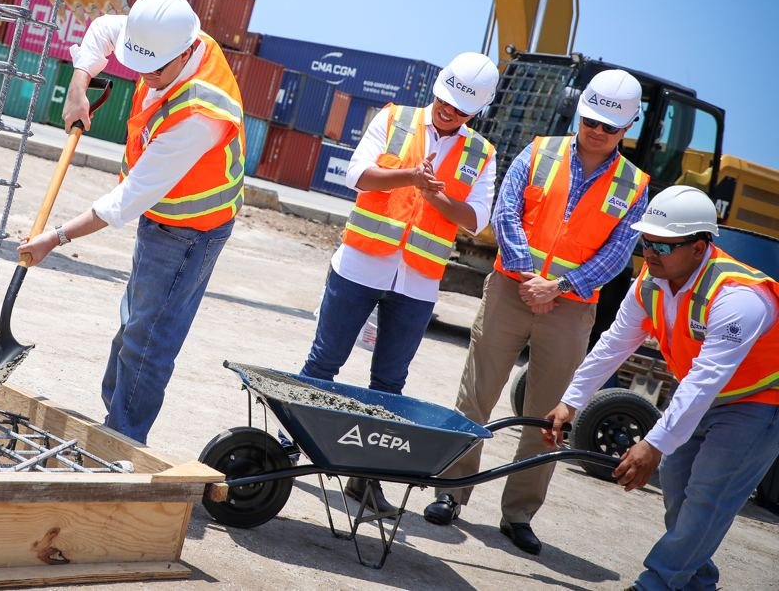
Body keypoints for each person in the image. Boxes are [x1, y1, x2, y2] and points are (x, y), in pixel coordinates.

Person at [424, 68, 652, 555]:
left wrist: (561, 285)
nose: (596, 130)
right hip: (512, 288)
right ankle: (451, 492)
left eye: (608, 127)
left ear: (626, 128)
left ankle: (519, 514)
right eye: (591, 119)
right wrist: (530, 277)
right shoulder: (540, 150)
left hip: (570, 308)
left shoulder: (635, 185)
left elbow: (617, 253)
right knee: (476, 392)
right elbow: (507, 212)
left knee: (549, 418)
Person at [18, 0, 244, 444]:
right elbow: (102, 32)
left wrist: (55, 239)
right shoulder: (158, 38)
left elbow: (125, 201)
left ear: (184, 52)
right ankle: (113, 423)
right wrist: (78, 88)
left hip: (191, 230)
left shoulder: (201, 114)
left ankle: (122, 442)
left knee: (149, 340)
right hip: (162, 211)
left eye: (153, 70)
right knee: (133, 325)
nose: (144, 76)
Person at [543, 186, 779, 591]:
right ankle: (696, 582)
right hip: (703, 396)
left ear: (699, 246)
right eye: (646, 241)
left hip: (759, 402)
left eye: (663, 246)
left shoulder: (739, 297)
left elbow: (707, 377)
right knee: (677, 487)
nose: (650, 252)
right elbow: (614, 344)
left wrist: (652, 443)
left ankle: (657, 582)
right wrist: (571, 401)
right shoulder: (650, 284)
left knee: (708, 493)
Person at [293, 52, 499, 512]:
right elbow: (356, 175)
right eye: (445, 102)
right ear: (438, 89)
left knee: (389, 386)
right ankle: (289, 452)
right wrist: (410, 176)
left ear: (476, 111)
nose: (449, 112)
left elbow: (475, 218)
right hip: (361, 264)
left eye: (460, 110)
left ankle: (365, 480)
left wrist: (437, 194)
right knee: (323, 363)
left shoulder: (481, 153)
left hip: (418, 282)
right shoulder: (395, 118)